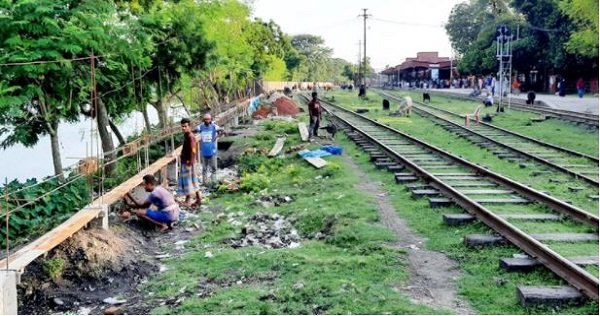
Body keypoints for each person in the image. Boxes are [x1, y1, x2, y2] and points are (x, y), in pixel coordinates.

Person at [194, 113, 223, 185]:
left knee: (214, 168)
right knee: (204, 168)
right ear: (203, 120)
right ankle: (205, 182)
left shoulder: (214, 126)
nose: (207, 120)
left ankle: (213, 182)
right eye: (205, 119)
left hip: (212, 150)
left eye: (208, 119)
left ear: (211, 119)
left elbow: (222, 130)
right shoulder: (201, 126)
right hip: (204, 151)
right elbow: (195, 130)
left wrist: (216, 137)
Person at [178, 118, 201, 207]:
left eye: (185, 126)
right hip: (188, 162)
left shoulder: (190, 137)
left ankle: (188, 199)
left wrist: (189, 163)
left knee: (187, 181)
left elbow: (193, 150)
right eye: (182, 126)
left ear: (189, 126)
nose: (183, 128)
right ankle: (198, 199)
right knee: (193, 180)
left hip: (188, 163)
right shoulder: (187, 135)